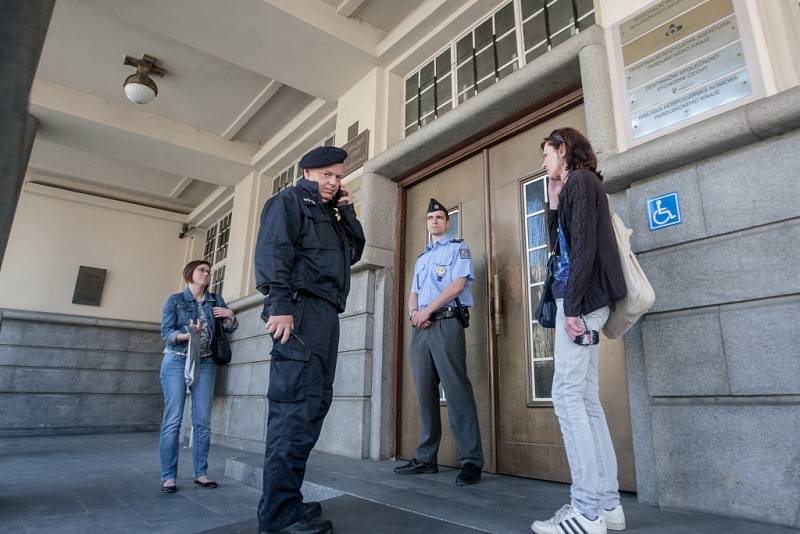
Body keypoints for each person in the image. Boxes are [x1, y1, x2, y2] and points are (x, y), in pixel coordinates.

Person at [254, 146, 365, 534]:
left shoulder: (330, 212)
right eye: (327, 176)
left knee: (313, 406)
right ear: (308, 173)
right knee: (293, 410)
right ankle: (278, 517)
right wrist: (279, 304)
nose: (334, 182)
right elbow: (273, 252)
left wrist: (347, 211)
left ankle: (288, 501)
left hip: (324, 314)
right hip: (298, 312)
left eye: (338, 176)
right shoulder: (287, 202)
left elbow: (354, 252)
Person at [531, 128, 627, 534]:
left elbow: (584, 248)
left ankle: (586, 512)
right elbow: (563, 246)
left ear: (563, 149)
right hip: (587, 302)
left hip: (582, 304)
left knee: (567, 397)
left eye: (547, 155)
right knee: (586, 400)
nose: (543, 163)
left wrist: (571, 306)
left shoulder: (583, 182)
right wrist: (553, 203)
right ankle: (608, 506)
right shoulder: (576, 188)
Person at [393, 198, 484, 486]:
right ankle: (426, 458)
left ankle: (471, 461)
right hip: (421, 327)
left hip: (446, 323)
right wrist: (414, 313)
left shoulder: (459, 248)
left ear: (448, 222)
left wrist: (428, 310)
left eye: (440, 217)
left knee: (456, 390)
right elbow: (413, 292)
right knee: (425, 391)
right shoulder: (421, 258)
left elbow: (458, 285)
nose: (434, 221)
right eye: (430, 217)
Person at [158, 259, 238, 494]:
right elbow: (166, 332)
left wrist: (230, 315)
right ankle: (168, 477)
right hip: (176, 360)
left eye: (208, 271)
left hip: (206, 362)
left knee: (202, 421)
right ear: (189, 273)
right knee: (173, 420)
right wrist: (188, 334)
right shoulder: (175, 300)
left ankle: (200, 473)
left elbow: (229, 328)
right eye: (202, 270)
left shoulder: (216, 300)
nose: (206, 274)